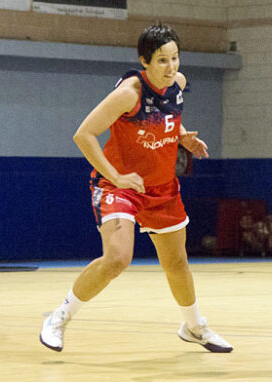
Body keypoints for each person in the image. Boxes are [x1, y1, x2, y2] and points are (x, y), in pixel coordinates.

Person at [39, 24, 232, 353]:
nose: (171, 67)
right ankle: (59, 317)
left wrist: (182, 135)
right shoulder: (129, 93)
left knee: (177, 263)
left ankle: (194, 326)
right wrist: (115, 177)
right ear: (144, 61)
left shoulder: (178, 85)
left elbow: (167, 115)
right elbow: (83, 135)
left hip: (161, 188)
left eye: (175, 59)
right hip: (120, 186)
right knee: (117, 258)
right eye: (162, 61)